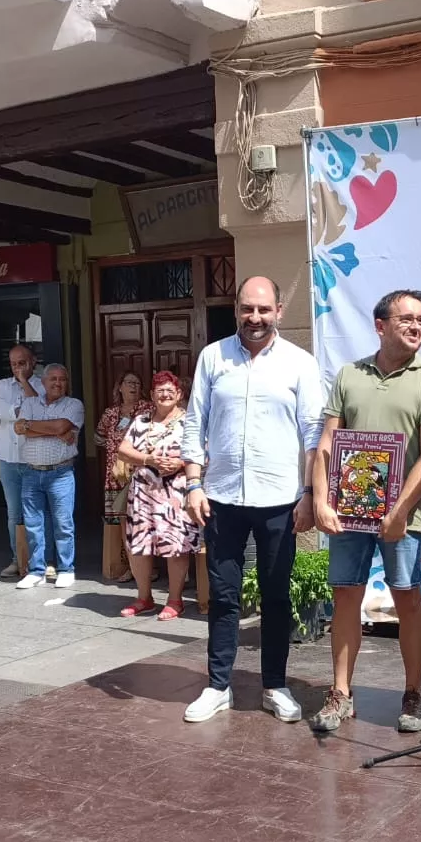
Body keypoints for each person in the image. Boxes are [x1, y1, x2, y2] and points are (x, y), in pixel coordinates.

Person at [310, 290, 421, 735]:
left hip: (402, 516)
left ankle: (413, 693)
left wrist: (399, 510)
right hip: (348, 511)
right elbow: (327, 444)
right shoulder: (350, 375)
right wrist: (318, 499)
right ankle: (340, 694)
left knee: (407, 599)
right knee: (345, 596)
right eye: (407, 319)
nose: (416, 327)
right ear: (381, 325)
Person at [181, 276, 322, 725]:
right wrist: (192, 483)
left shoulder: (299, 364)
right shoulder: (213, 357)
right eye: (247, 309)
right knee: (223, 597)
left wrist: (308, 495)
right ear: (236, 310)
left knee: (276, 597)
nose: (255, 318)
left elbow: (313, 435)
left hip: (280, 499)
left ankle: (275, 686)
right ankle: (218, 685)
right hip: (220, 497)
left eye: (263, 309)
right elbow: (193, 422)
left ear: (279, 310)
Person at [116, 372, 199, 620]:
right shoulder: (141, 421)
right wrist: (148, 459)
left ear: (179, 395)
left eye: (169, 391)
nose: (164, 395)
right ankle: (144, 598)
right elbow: (123, 450)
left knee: (176, 545)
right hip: (143, 492)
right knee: (140, 545)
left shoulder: (189, 422)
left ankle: (175, 600)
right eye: (159, 391)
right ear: (152, 395)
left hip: (175, 493)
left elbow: (203, 453)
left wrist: (178, 463)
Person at [14, 364, 83, 590]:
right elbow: (18, 428)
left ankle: (66, 569)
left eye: (62, 379)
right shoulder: (30, 402)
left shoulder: (74, 405)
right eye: (52, 379)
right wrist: (52, 429)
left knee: (63, 523)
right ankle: (36, 571)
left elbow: (61, 425)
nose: (57, 383)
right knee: (33, 525)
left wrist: (32, 427)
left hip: (60, 472)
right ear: (42, 383)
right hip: (31, 472)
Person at [0, 344, 53, 579]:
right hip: (8, 458)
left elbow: (36, 411)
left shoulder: (41, 384)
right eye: (14, 363)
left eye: (22, 363)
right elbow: (2, 412)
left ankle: (44, 559)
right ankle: (18, 559)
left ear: (33, 362)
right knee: (14, 513)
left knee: (39, 511)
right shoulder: (2, 385)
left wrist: (25, 383)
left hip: (33, 458)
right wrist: (22, 407)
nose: (17, 368)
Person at [95, 371, 145, 542]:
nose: (133, 386)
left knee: (141, 518)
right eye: (129, 382)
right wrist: (114, 451)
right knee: (122, 520)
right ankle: (127, 563)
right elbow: (98, 437)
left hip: (140, 472)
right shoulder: (111, 413)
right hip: (116, 475)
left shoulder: (148, 409)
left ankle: (143, 566)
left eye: (137, 383)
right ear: (120, 388)